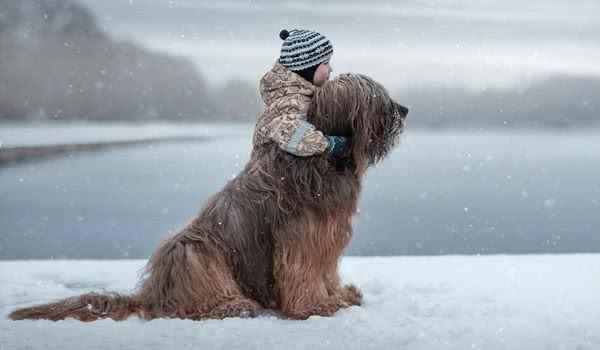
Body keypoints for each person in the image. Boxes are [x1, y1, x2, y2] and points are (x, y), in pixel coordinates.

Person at [252, 28, 347, 157]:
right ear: (308, 68)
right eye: (326, 63)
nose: (331, 69)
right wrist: (329, 144)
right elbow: (291, 137)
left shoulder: (297, 95)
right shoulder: (294, 102)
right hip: (279, 172)